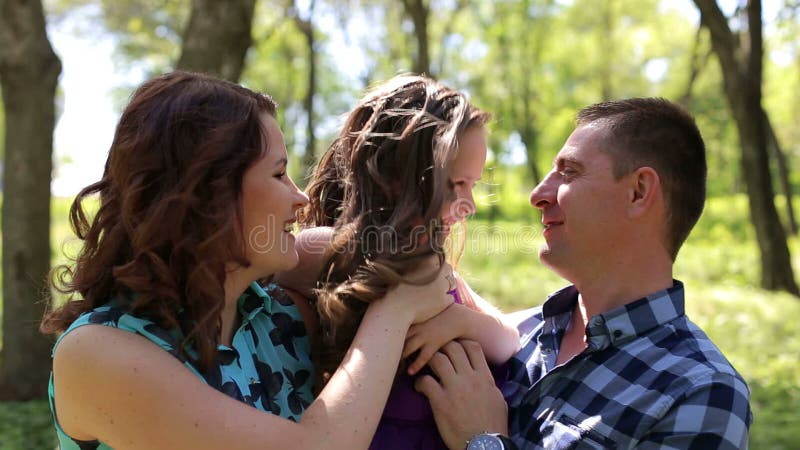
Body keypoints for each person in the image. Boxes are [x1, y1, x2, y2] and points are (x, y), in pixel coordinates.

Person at [39, 70, 455, 450]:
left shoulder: (279, 314)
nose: (301, 196)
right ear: (207, 196)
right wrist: (395, 309)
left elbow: (423, 265)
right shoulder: (98, 354)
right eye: (278, 174)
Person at [415, 98, 753, 449]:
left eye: (569, 172)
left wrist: (483, 441)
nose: (538, 195)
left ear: (638, 192)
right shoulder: (510, 338)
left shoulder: (702, 394)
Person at [275, 74, 520, 450]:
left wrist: (460, 320)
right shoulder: (327, 251)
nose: (468, 205)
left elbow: (508, 340)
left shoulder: (437, 271)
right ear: (395, 177)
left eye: (473, 185)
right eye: (455, 184)